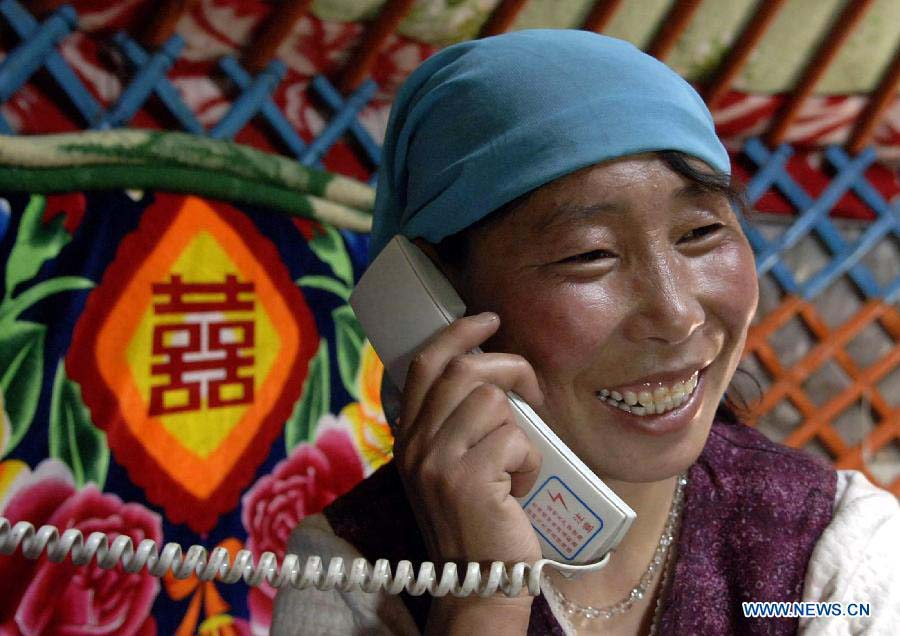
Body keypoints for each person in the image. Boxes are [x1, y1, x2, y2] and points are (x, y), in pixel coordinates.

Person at [272, 30, 899, 635]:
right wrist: (483, 602)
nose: (677, 314)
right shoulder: (356, 568)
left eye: (700, 233)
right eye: (589, 254)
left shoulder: (837, 551)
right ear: (437, 295)